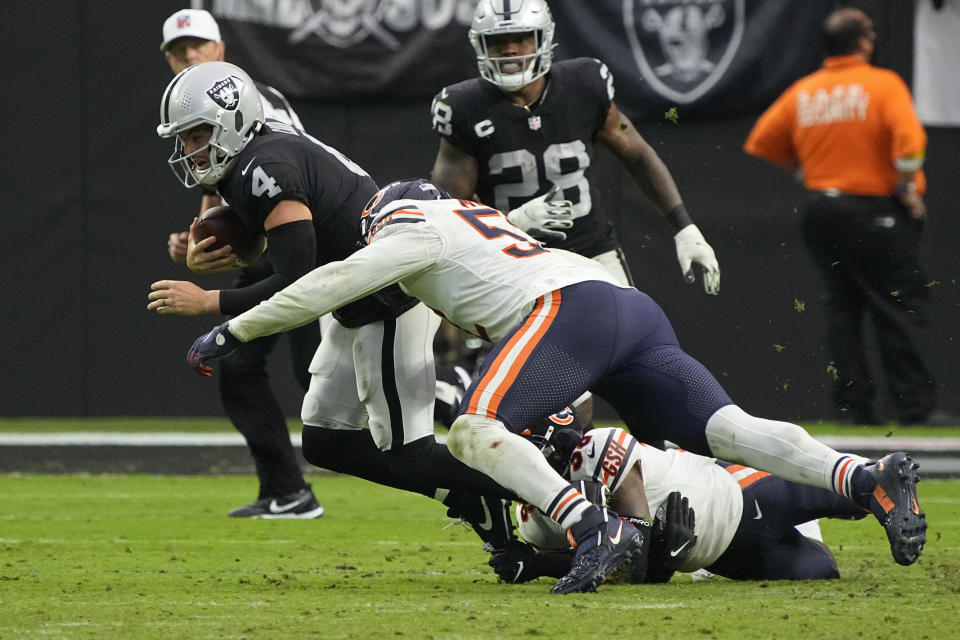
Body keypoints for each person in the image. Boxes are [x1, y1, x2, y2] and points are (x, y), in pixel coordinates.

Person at [183, 179, 927, 594]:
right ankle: (867, 479)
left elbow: (339, 279)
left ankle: (588, 525)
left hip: (572, 310)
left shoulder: (410, 225)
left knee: (475, 429)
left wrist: (232, 327)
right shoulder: (462, 222)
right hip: (621, 308)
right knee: (727, 431)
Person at [147, 62, 537, 557]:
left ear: (232, 120)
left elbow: (298, 277)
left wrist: (210, 303)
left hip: (388, 296)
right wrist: (233, 258)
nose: (189, 150)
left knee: (410, 454)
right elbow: (297, 250)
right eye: (182, 139)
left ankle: (560, 498)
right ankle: (472, 496)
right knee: (326, 443)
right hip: (355, 299)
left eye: (196, 134)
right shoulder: (255, 157)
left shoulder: (265, 166)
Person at [429, 0, 720, 426]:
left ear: (543, 39)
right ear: (481, 47)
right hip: (515, 263)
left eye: (520, 38)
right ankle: (561, 480)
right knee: (563, 386)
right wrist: (515, 223)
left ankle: (656, 469)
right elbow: (451, 218)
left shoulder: (584, 82)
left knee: (644, 366)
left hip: (592, 253)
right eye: (498, 41)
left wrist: (685, 227)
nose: (510, 50)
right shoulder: (464, 106)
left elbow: (637, 155)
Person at [744, 8, 952, 426]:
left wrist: (806, 171)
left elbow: (762, 140)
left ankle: (854, 408)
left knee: (843, 309)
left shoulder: (805, 91)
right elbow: (910, 144)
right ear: (864, 43)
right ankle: (914, 408)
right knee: (897, 307)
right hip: (873, 212)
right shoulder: (882, 84)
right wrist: (908, 190)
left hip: (823, 211)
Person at [159, 8, 323, 518]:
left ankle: (487, 423)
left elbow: (266, 178)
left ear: (221, 50)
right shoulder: (194, 113)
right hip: (273, 252)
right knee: (240, 365)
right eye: (178, 50)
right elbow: (220, 185)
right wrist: (197, 239)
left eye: (198, 46)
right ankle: (287, 489)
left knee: (322, 379)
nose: (189, 55)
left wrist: (210, 269)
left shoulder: (249, 102)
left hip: (308, 246)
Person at [490, 418, 872, 585]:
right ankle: (809, 526)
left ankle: (882, 479)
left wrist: (540, 565)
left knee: (857, 495)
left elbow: (631, 558)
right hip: (717, 550)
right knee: (821, 571)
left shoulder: (597, 449)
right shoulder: (532, 520)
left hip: (732, 490)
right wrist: (542, 563)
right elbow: (616, 569)